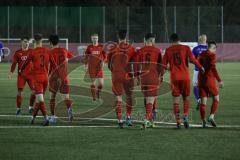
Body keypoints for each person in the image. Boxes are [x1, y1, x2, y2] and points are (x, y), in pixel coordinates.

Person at [163, 33, 204, 129]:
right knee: (186, 98)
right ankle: (185, 116)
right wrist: (201, 67)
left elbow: (163, 65)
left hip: (174, 78)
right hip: (185, 77)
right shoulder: (185, 48)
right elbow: (193, 59)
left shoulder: (168, 50)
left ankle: (178, 122)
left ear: (171, 41)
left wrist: (163, 73)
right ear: (179, 40)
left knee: (176, 101)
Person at [20, 34, 57, 126]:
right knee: (38, 99)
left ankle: (46, 118)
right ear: (42, 41)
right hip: (45, 79)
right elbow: (55, 64)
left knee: (40, 100)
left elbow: (25, 63)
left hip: (37, 79)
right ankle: (33, 117)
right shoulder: (48, 51)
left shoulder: (32, 52)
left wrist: (21, 69)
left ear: (34, 42)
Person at [108, 30, 135, 128]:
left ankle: (119, 119)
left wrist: (114, 72)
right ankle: (128, 117)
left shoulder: (112, 48)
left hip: (116, 75)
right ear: (126, 37)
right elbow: (133, 63)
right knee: (129, 96)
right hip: (127, 75)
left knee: (118, 97)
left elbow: (109, 64)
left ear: (117, 37)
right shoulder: (131, 48)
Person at [136, 33, 163, 129]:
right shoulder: (157, 50)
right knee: (150, 99)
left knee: (149, 98)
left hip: (143, 77)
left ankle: (152, 120)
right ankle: (146, 119)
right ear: (151, 40)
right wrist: (161, 76)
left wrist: (137, 76)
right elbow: (161, 66)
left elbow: (136, 65)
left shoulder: (140, 51)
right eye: (154, 40)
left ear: (145, 40)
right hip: (153, 77)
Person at [48, 34, 74, 124]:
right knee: (66, 98)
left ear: (50, 43)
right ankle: (69, 108)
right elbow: (72, 57)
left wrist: (48, 75)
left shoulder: (50, 52)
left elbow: (50, 66)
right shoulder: (64, 50)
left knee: (52, 98)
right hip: (64, 77)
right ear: (58, 42)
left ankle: (53, 117)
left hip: (54, 77)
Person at [198, 41, 224, 127]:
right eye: (215, 48)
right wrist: (219, 80)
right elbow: (213, 68)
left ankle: (203, 121)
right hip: (209, 80)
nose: (215, 51)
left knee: (203, 102)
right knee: (216, 98)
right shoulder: (212, 55)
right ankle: (211, 116)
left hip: (201, 80)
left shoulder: (201, 54)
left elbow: (198, 64)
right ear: (212, 47)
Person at [8, 36, 36, 115]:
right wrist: (11, 72)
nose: (26, 43)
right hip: (21, 76)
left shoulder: (32, 52)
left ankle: (30, 107)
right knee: (20, 92)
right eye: (24, 41)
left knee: (34, 91)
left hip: (31, 76)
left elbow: (36, 62)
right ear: (21, 42)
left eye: (27, 42)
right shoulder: (17, 53)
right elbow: (14, 63)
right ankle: (18, 109)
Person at [85, 34, 106, 101]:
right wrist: (86, 64)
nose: (95, 39)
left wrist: (103, 61)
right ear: (91, 39)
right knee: (93, 84)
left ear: (98, 39)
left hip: (99, 67)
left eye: (96, 38)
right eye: (93, 38)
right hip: (92, 67)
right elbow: (86, 56)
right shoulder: (89, 47)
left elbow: (105, 56)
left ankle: (98, 92)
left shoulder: (101, 47)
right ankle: (94, 97)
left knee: (101, 85)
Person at [192, 34, 208, 109]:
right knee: (204, 87)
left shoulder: (195, 49)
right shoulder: (209, 48)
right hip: (207, 71)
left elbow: (191, 60)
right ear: (205, 40)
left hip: (197, 70)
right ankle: (204, 103)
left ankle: (198, 99)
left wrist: (197, 63)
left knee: (195, 86)